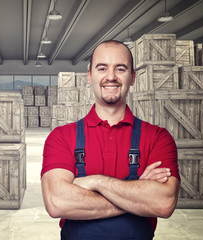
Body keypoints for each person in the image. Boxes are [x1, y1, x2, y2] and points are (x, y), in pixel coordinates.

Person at [41, 40, 180, 239]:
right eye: (102, 68)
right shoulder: (61, 137)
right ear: (90, 76)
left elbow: (164, 203)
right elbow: (57, 202)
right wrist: (138, 194)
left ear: (132, 77)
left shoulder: (158, 138)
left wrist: (94, 182)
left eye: (120, 69)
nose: (111, 77)